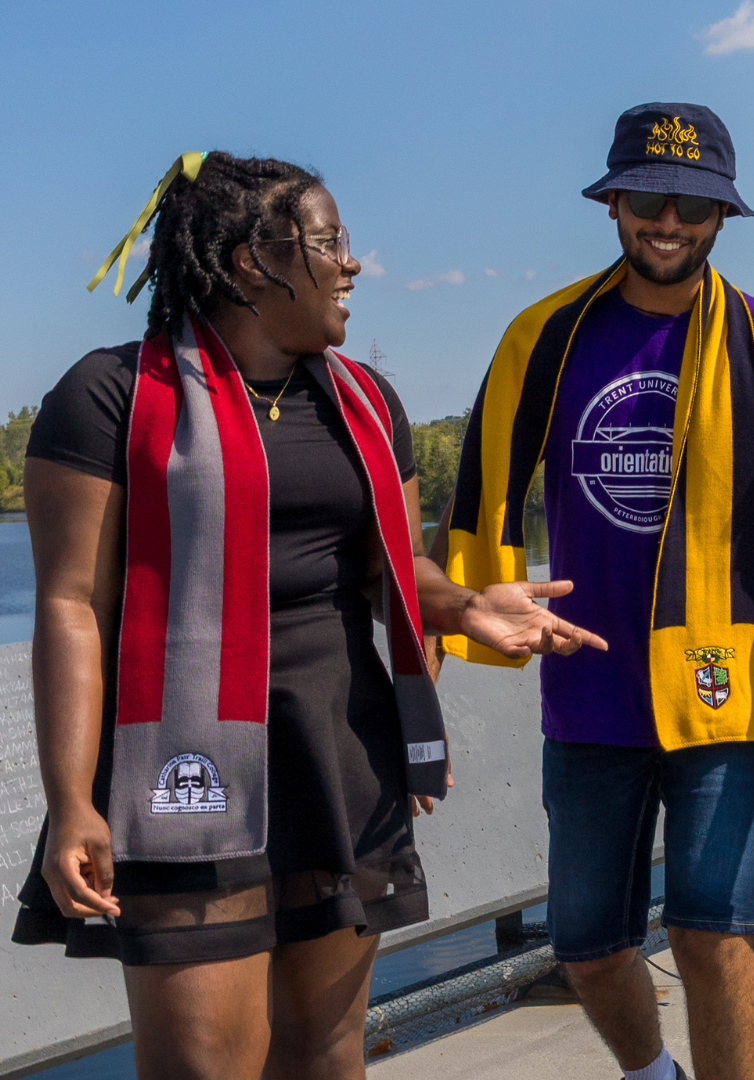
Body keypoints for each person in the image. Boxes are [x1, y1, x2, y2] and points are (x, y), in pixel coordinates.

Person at [12, 151, 600, 1080]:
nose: (351, 266)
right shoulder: (107, 398)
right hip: (182, 768)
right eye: (329, 243)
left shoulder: (366, 402)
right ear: (254, 261)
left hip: (337, 755)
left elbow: (395, 572)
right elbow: (72, 605)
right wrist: (72, 800)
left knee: (326, 1061)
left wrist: (463, 605)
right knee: (206, 1067)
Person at [438, 103, 754, 1080]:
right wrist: (416, 704)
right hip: (589, 698)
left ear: (725, 214)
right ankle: (651, 1073)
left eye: (694, 201)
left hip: (729, 699)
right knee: (589, 949)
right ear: (613, 204)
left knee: (710, 933)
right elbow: (466, 528)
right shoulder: (543, 341)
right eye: (648, 196)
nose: (668, 219)